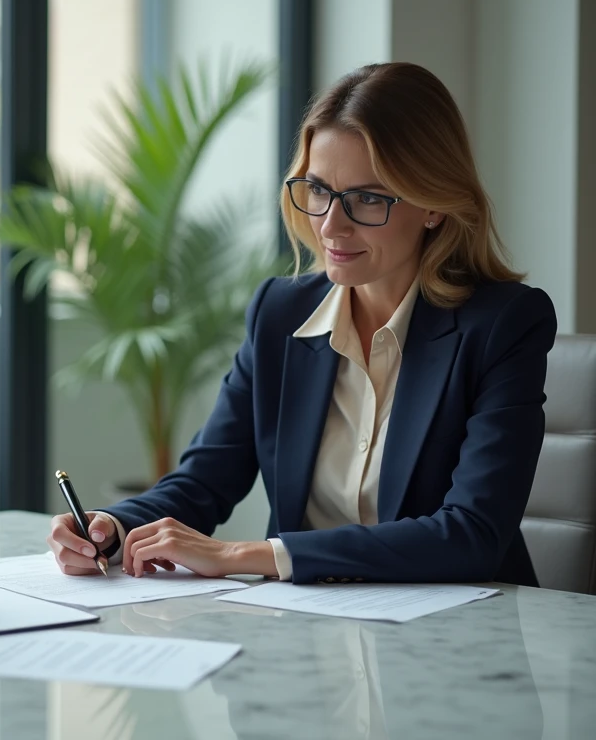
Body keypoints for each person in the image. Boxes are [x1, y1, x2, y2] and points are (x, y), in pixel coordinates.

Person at [48, 62, 556, 587]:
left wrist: (249, 555)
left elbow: (471, 535)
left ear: (432, 205)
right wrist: (113, 527)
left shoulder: (503, 325)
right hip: (311, 629)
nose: (331, 225)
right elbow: (203, 481)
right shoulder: (281, 313)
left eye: (366, 199)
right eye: (317, 190)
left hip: (462, 637)